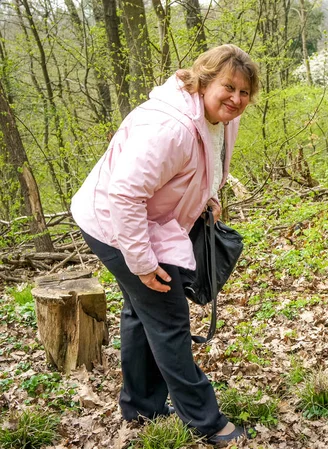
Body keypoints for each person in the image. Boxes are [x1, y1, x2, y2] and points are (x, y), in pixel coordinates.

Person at [71, 44, 259, 445]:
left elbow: (198, 164)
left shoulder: (218, 117)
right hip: (113, 224)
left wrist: (207, 194)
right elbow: (124, 195)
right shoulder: (168, 127)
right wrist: (140, 262)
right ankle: (205, 421)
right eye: (229, 87)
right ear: (204, 80)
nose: (237, 99)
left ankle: (140, 405)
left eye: (245, 92)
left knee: (144, 313)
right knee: (169, 319)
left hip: (147, 220)